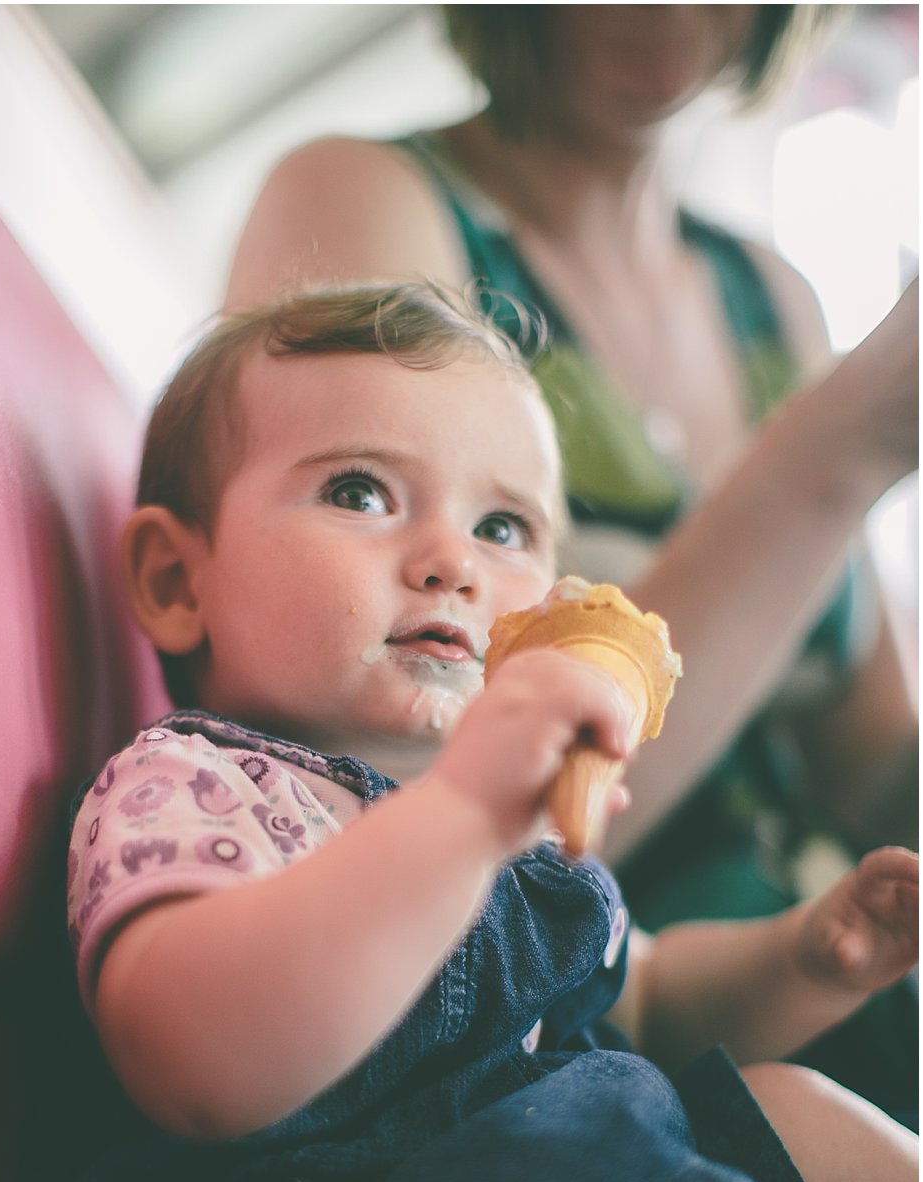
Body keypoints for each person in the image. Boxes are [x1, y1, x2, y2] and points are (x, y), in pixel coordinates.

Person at [58, 284, 916, 1182]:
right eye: (359, 491)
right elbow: (202, 1062)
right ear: (180, 581)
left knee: (774, 1101)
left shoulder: (509, 828)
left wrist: (808, 956)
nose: (453, 560)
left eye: (505, 523)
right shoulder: (194, 786)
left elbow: (656, 1006)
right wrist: (462, 815)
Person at [224, 3, 919, 1123]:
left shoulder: (772, 296)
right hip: (581, 1027)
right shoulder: (372, 200)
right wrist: (838, 451)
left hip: (821, 954)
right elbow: (416, 787)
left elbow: (872, 764)